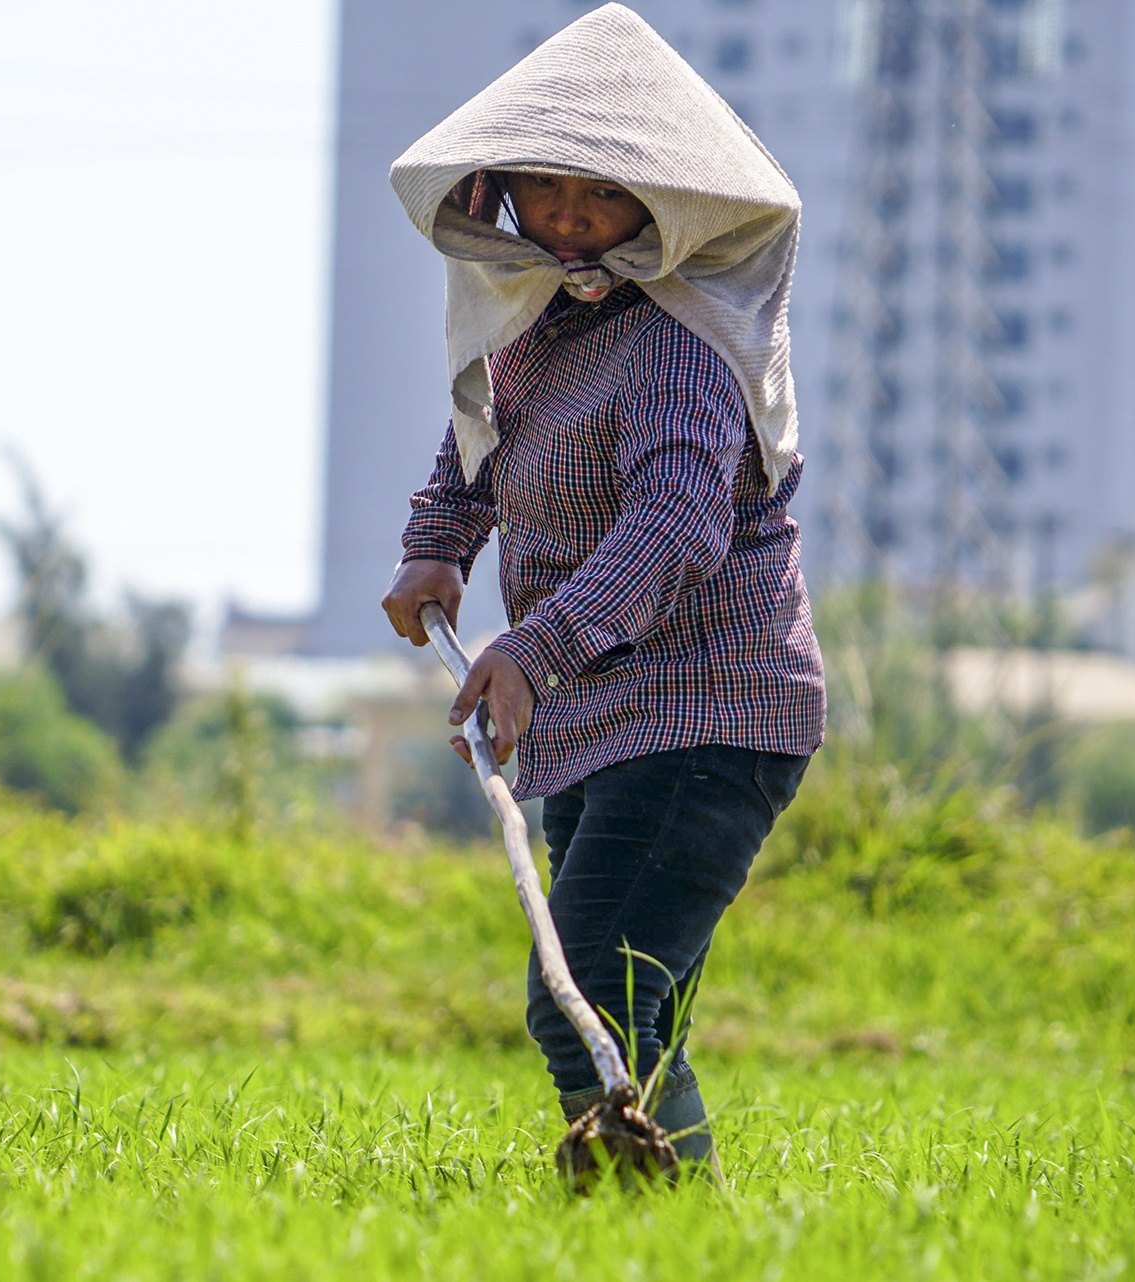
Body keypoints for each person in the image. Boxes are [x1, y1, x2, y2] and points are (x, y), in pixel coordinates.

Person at [377, 5, 826, 1176]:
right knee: (630, 1015)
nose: (571, 217)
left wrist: (534, 647)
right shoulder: (539, 318)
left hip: (707, 713)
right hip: (599, 712)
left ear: (660, 208)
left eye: (604, 194)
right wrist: (439, 542)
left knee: (588, 999)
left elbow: (674, 523)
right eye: (547, 187)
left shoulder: (678, 342)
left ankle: (654, 1225)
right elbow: (484, 432)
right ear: (503, 187)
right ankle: (679, 1236)